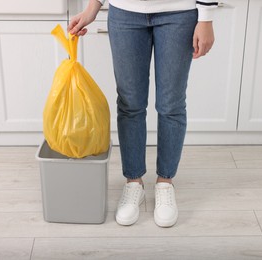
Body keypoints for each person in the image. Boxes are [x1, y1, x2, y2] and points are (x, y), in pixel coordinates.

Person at [68, 0, 218, 227]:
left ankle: (165, 183)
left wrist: (206, 16)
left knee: (171, 105)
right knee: (130, 104)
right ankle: (133, 182)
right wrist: (94, 6)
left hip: (178, 12)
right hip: (125, 12)